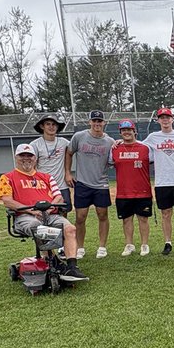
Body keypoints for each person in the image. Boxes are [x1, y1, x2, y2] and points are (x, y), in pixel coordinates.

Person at [0, 142, 86, 281]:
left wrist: (50, 208)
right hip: (25, 216)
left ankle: (72, 267)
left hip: (49, 214)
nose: (26, 158)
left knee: (70, 229)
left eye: (30, 155)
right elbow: (7, 200)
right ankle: (54, 262)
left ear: (35, 158)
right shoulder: (7, 178)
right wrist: (32, 211)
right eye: (22, 155)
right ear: (16, 157)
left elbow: (58, 196)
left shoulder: (47, 177)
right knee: (38, 228)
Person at [142, 108, 174, 255]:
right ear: (158, 120)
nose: (165, 120)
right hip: (162, 182)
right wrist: (120, 141)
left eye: (167, 117)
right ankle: (168, 243)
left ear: (172, 119)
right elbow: (139, 146)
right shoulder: (153, 137)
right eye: (162, 117)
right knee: (166, 213)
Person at [66, 110, 115, 259]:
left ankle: (102, 247)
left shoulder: (110, 142)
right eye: (94, 121)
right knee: (80, 217)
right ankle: (80, 247)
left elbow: (113, 159)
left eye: (100, 121)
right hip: (82, 183)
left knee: (103, 214)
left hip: (101, 184)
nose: (97, 124)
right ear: (90, 122)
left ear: (104, 123)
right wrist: (68, 173)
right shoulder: (79, 137)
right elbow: (69, 152)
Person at [110, 120, 152, 257]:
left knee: (143, 219)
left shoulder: (145, 148)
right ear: (120, 132)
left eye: (129, 130)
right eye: (123, 130)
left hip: (143, 191)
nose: (127, 132)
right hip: (123, 192)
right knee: (126, 219)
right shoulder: (115, 149)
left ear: (135, 131)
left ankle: (144, 245)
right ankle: (129, 245)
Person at [30, 113, 72, 212]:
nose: (51, 127)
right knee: (44, 212)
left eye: (54, 124)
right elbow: (32, 165)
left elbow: (72, 152)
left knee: (63, 212)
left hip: (61, 185)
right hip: (44, 186)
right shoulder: (35, 144)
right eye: (48, 124)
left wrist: (68, 172)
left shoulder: (64, 142)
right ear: (42, 126)